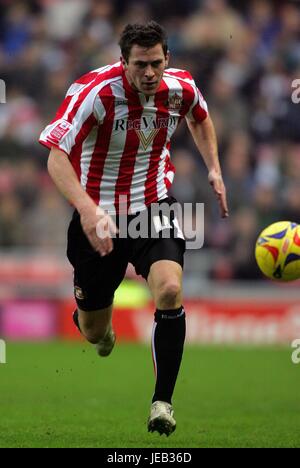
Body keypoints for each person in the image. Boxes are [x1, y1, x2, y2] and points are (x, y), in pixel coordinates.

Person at [39, 21, 228, 436]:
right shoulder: (95, 93)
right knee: (92, 333)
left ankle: (162, 403)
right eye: (140, 64)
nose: (149, 73)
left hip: (151, 206)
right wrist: (88, 210)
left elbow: (200, 118)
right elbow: (56, 155)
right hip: (98, 218)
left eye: (156, 63)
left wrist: (214, 169)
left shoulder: (180, 87)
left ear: (167, 59)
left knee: (170, 290)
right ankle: (99, 328)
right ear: (122, 60)